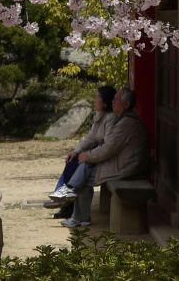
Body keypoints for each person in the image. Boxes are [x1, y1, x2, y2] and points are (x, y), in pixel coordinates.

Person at [61, 87, 151, 229]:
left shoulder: (125, 124)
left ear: (126, 105)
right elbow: (99, 142)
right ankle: (73, 198)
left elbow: (108, 149)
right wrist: (85, 154)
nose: (113, 102)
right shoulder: (122, 120)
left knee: (85, 173)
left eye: (116, 100)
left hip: (126, 168)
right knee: (85, 165)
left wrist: (88, 156)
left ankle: (77, 209)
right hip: (122, 163)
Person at [44, 85, 116, 218]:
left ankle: (64, 200)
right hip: (97, 154)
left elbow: (108, 146)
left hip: (104, 158)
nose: (94, 100)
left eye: (97, 97)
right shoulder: (99, 116)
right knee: (72, 160)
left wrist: (88, 155)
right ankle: (63, 199)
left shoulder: (110, 119)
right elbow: (91, 137)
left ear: (105, 102)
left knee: (81, 167)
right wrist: (76, 151)